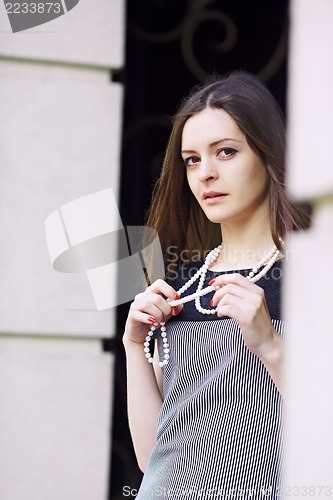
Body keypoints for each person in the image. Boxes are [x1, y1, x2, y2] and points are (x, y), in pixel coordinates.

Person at [122, 71, 310, 499]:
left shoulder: (315, 281)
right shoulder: (177, 290)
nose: (205, 173)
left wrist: (270, 345)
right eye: (192, 159)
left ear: (267, 155)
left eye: (225, 152)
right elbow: (154, 456)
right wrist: (134, 345)